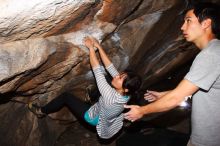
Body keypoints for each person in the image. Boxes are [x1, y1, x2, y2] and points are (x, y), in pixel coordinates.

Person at [124, 2, 220, 146]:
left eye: (188, 21)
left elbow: (175, 99)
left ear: (206, 23)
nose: (182, 27)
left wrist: (142, 111)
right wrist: (165, 94)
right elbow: (200, 89)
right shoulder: (215, 51)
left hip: (208, 139)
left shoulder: (210, 55)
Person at [28, 36, 142, 139]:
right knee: (108, 77)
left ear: (126, 88)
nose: (117, 76)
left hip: (94, 118)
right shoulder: (128, 93)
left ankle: (41, 111)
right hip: (106, 109)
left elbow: (97, 70)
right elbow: (110, 67)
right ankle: (91, 97)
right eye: (120, 75)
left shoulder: (110, 96)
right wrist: (98, 46)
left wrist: (91, 48)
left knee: (66, 97)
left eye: (120, 78)